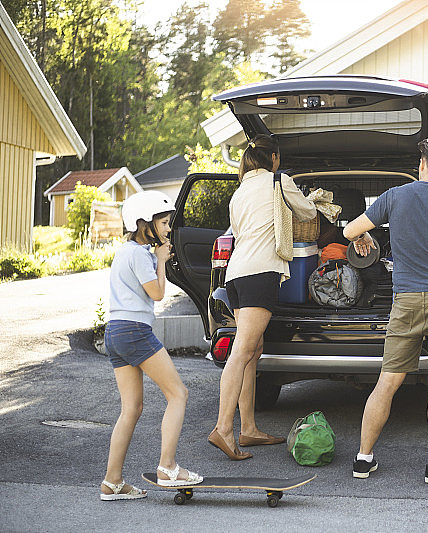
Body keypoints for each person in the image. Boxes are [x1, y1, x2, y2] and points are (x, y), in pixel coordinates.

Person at [344, 137, 428, 483]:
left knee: (387, 381)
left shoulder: (394, 197)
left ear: (421, 165)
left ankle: (363, 460)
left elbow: (349, 229)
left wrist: (362, 238)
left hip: (405, 300)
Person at [208, 134, 317, 460]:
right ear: (273, 159)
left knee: (252, 350)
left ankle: (249, 429)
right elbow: (308, 213)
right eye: (278, 158)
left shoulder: (239, 191)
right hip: (260, 274)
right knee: (242, 351)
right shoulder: (279, 181)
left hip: (237, 274)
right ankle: (224, 429)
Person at [101, 191, 203, 500]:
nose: (169, 228)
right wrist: (160, 260)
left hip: (115, 332)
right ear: (145, 223)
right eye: (164, 222)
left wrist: (157, 257)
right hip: (134, 331)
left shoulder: (126, 251)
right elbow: (157, 294)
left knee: (131, 408)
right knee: (178, 394)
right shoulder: (140, 254)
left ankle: (112, 482)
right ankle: (168, 466)